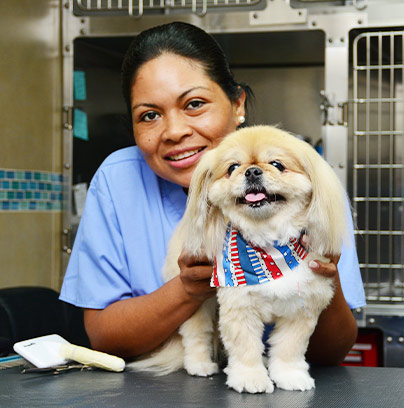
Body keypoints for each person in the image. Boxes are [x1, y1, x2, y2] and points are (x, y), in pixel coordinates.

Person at [60, 21, 366, 365]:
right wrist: (187, 289)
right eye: (149, 115)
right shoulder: (117, 180)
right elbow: (104, 337)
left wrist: (321, 278)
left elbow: (333, 351)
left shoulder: (304, 180)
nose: (174, 131)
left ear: (238, 104)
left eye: (194, 104)